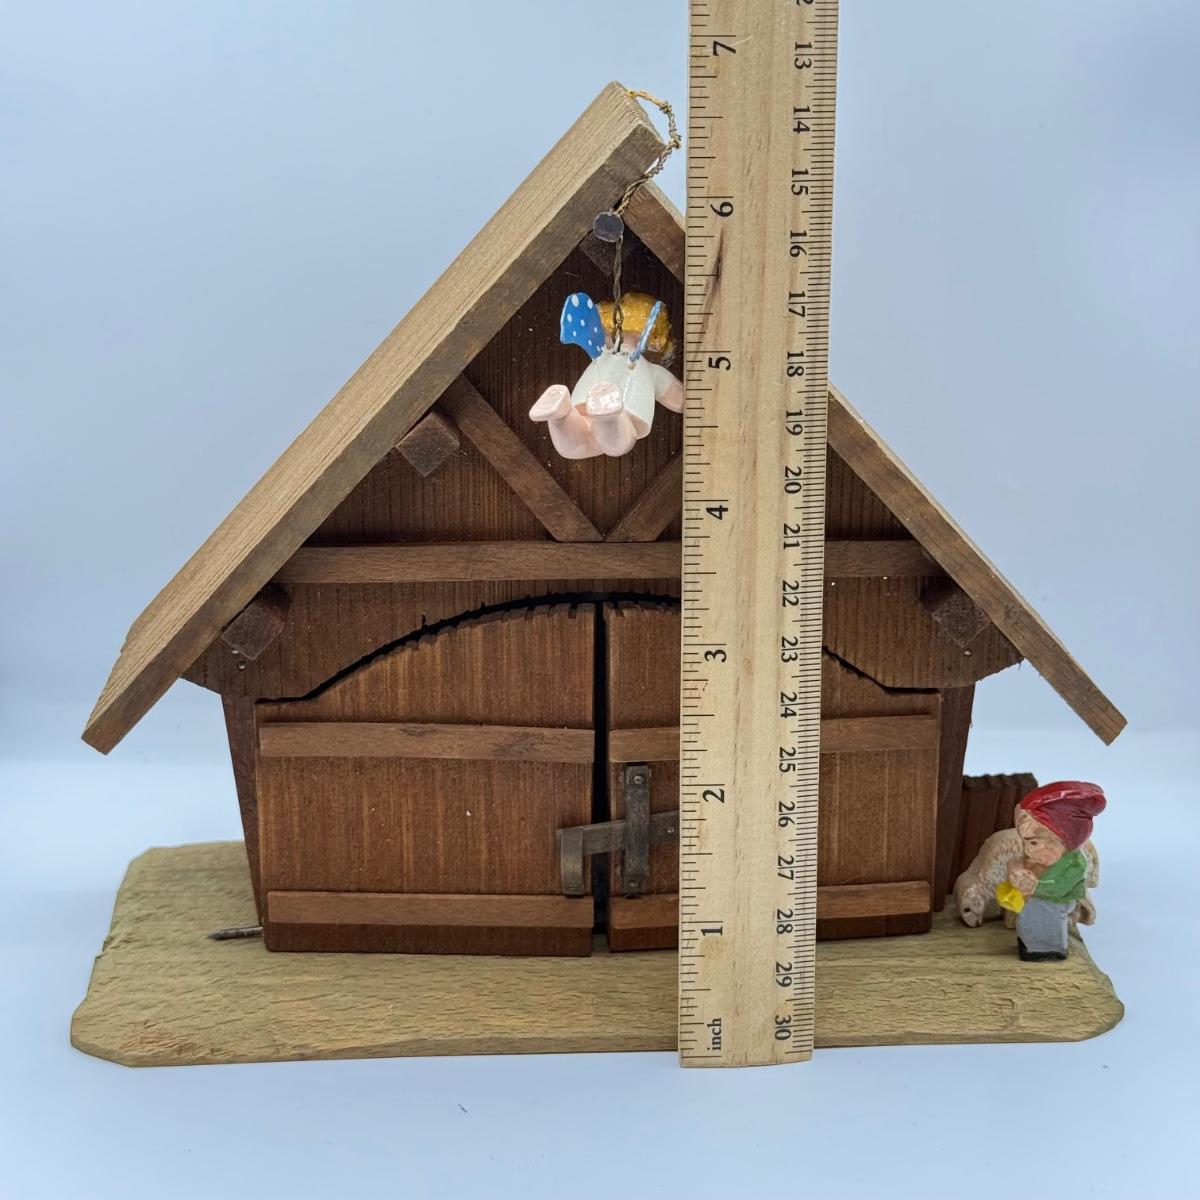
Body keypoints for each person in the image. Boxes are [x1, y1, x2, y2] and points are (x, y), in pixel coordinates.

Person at [997, 780, 1106, 961]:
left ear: (1061, 840)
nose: (1027, 850)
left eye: (1033, 842)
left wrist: (1034, 886)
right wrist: (1016, 871)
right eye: (1025, 842)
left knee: (1046, 923)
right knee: (1028, 920)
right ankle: (1028, 943)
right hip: (1034, 900)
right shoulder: (1038, 857)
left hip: (1054, 903)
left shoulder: (1075, 863)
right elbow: (1017, 862)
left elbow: (1059, 887)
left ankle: (1048, 949)